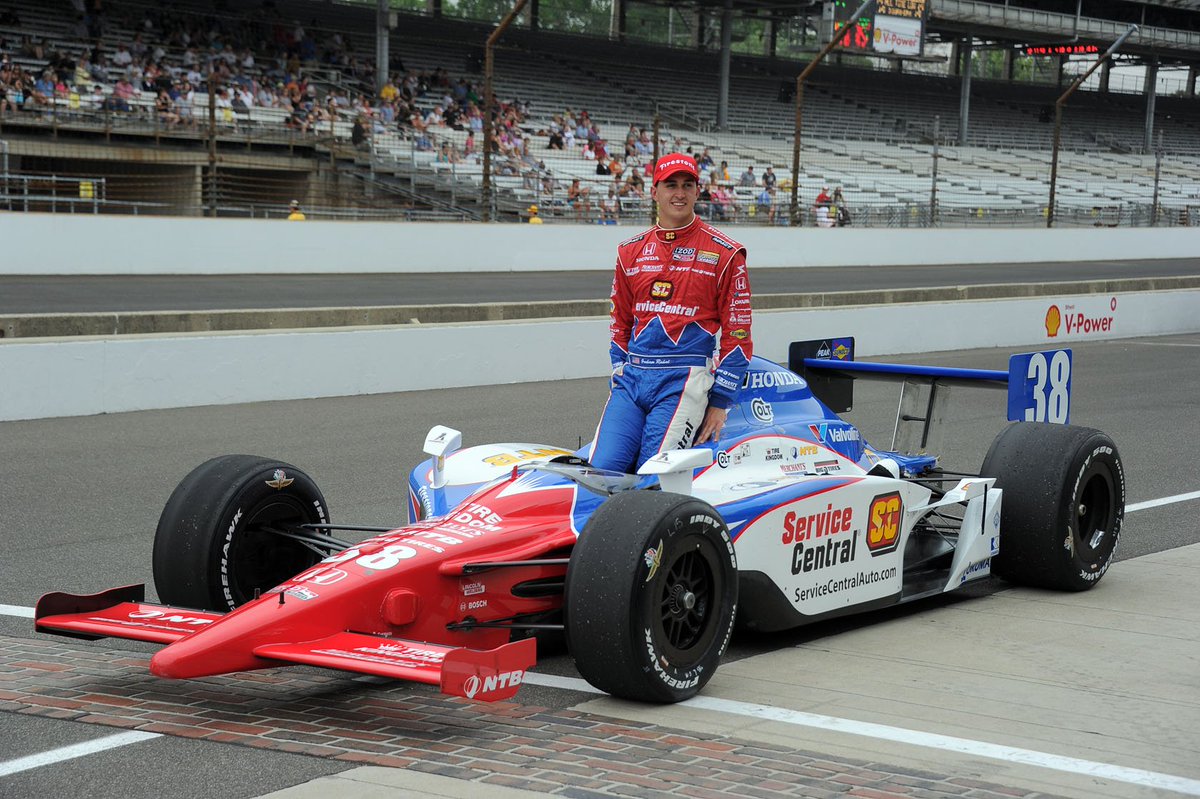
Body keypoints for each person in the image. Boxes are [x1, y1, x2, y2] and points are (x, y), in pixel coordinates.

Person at [589, 153, 753, 474]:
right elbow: (619, 320)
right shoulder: (629, 250)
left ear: (697, 191)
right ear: (654, 192)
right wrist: (619, 369)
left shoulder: (726, 253)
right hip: (632, 381)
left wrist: (720, 402)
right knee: (602, 470)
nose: (679, 193)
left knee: (652, 474)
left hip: (683, 382)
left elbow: (738, 335)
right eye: (670, 185)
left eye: (687, 185)